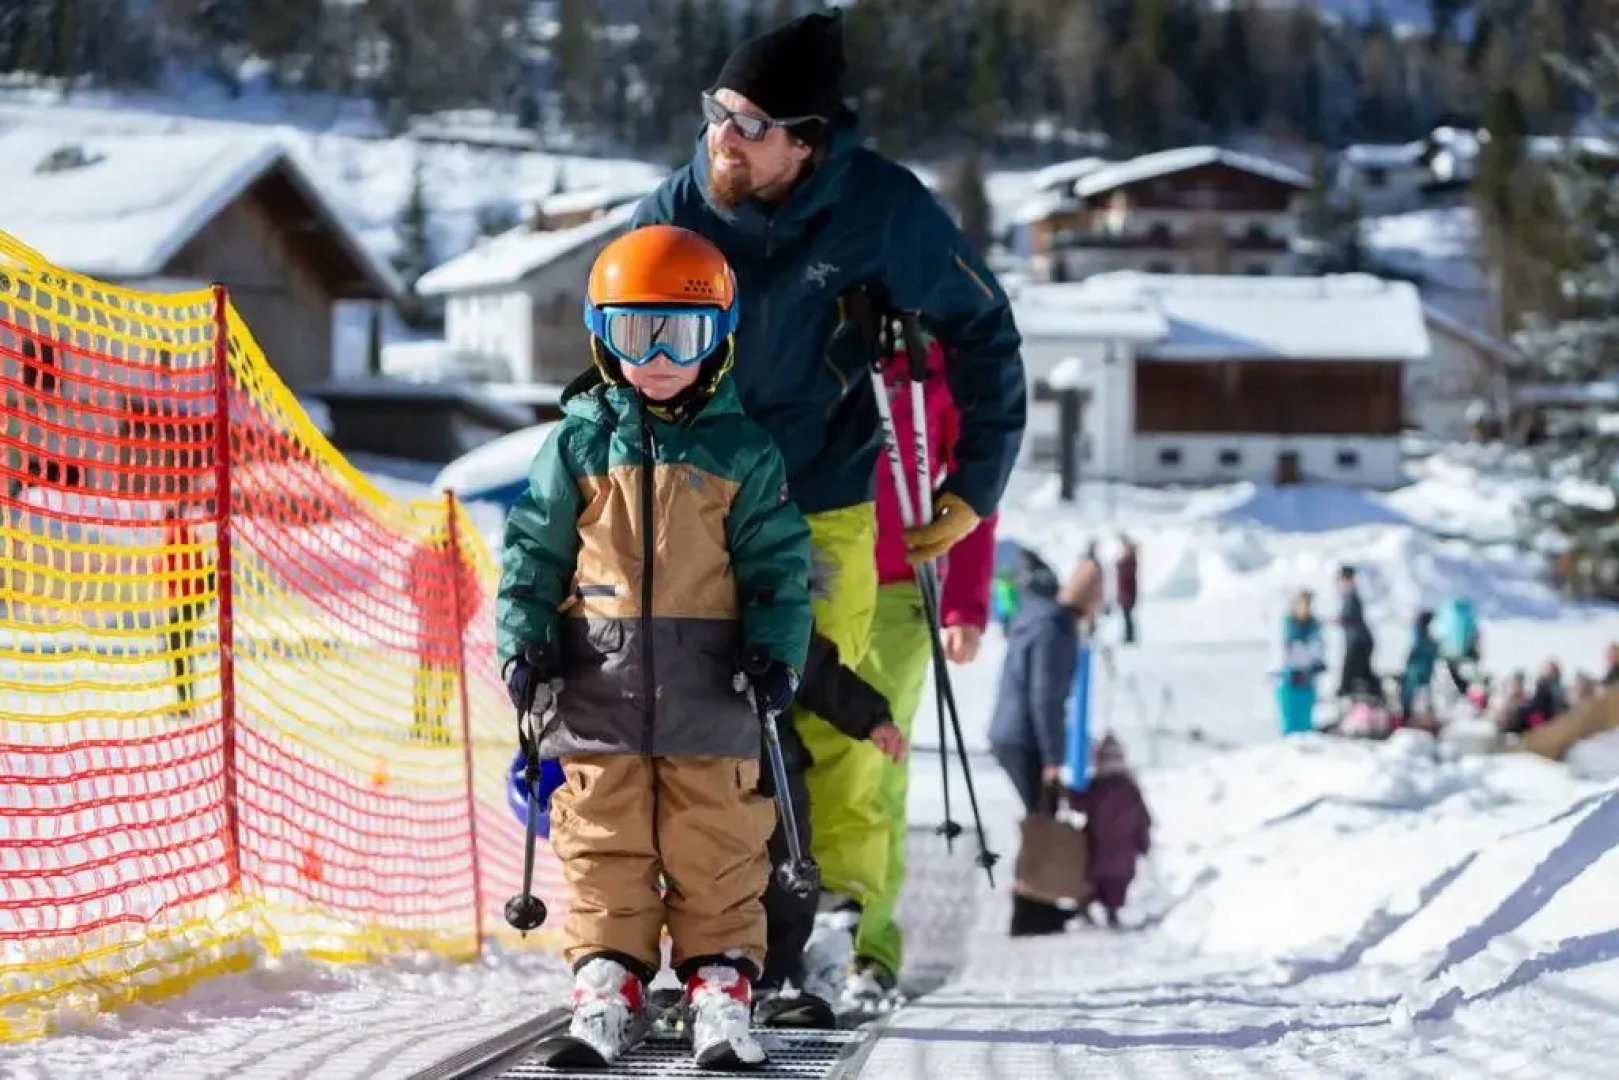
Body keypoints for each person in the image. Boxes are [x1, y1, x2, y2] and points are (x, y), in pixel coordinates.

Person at [631, 9, 1026, 931]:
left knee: (832, 708)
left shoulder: (883, 209)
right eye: (716, 111)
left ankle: (840, 915)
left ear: (804, 145)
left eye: (749, 124)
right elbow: (612, 362)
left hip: (821, 496)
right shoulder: (672, 215)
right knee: (687, 708)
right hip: (690, 502)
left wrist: (977, 486)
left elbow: (982, 329)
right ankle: (685, 913)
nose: (719, 137)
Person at [494, 225, 814, 1066]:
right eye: (639, 334)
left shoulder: (742, 452)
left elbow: (779, 568)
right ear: (604, 337)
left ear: (722, 339)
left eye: (685, 333)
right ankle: (610, 980)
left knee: (717, 842)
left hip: (713, 689)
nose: (662, 355)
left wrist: (775, 654)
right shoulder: (574, 446)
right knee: (602, 842)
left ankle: (719, 985)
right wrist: (525, 646)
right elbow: (531, 554)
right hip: (598, 688)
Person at [835, 329, 997, 1010]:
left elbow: (973, 480)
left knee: (873, 765)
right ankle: (794, 932)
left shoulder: (933, 364)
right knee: (803, 765)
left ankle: (866, 948)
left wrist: (963, 602)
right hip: (812, 581)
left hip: (899, 590)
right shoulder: (815, 334)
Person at [757, 628, 906, 1023]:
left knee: (789, 879)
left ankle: (773, 978)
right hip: (698, 773)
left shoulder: (770, 605)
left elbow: (819, 672)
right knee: (708, 883)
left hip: (773, 768)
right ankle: (717, 975)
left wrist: (873, 717)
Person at [1078, 733, 1151, 929]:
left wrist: (1069, 793)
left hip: (1097, 847)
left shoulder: (1096, 786)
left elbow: (1081, 805)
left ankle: (1084, 908)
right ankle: (1112, 913)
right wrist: (1143, 844)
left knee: (1093, 882)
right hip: (1123, 852)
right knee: (1116, 885)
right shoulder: (1130, 788)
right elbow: (1143, 819)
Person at [1277, 589, 1325, 736]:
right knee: (1290, 719)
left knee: (1305, 719)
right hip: (1289, 679)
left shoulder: (1314, 625)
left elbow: (1317, 648)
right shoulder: (1288, 624)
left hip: (1307, 678)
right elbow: (1284, 652)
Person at [1334, 565, 1377, 699]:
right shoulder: (1348, 595)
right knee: (1364, 674)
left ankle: (1346, 698)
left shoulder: (1351, 596)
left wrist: (1341, 620)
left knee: (1349, 675)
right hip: (1360, 640)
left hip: (1359, 641)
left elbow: (1351, 616)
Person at [1400, 610, 1439, 722]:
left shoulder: (1417, 631)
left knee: (1410, 693)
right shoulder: (1426, 635)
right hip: (1424, 668)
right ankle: (1421, 717)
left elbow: (1415, 646)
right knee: (1422, 694)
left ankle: (1408, 715)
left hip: (1416, 667)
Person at [1114, 536, 1139, 644]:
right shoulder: (1129, 561)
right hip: (1126, 592)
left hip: (1127, 593)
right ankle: (1128, 635)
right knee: (1126, 616)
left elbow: (1126, 576)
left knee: (1127, 616)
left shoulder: (1129, 561)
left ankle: (1129, 636)